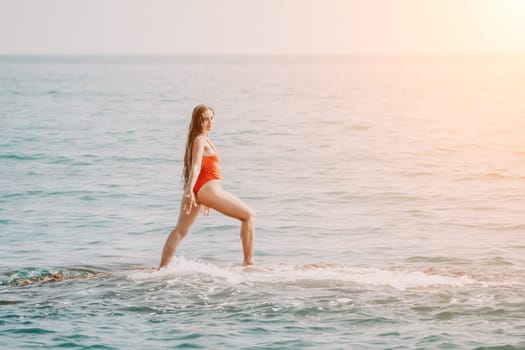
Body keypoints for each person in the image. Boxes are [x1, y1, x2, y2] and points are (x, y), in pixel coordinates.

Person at [158, 104, 256, 269]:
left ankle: (162, 268)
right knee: (249, 216)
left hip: (203, 190)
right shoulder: (200, 140)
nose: (209, 122)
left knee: (180, 230)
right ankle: (249, 262)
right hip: (206, 189)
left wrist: (205, 198)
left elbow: (200, 168)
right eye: (205, 119)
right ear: (198, 121)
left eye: (211, 117)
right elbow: (196, 166)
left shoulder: (199, 138)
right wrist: (192, 192)